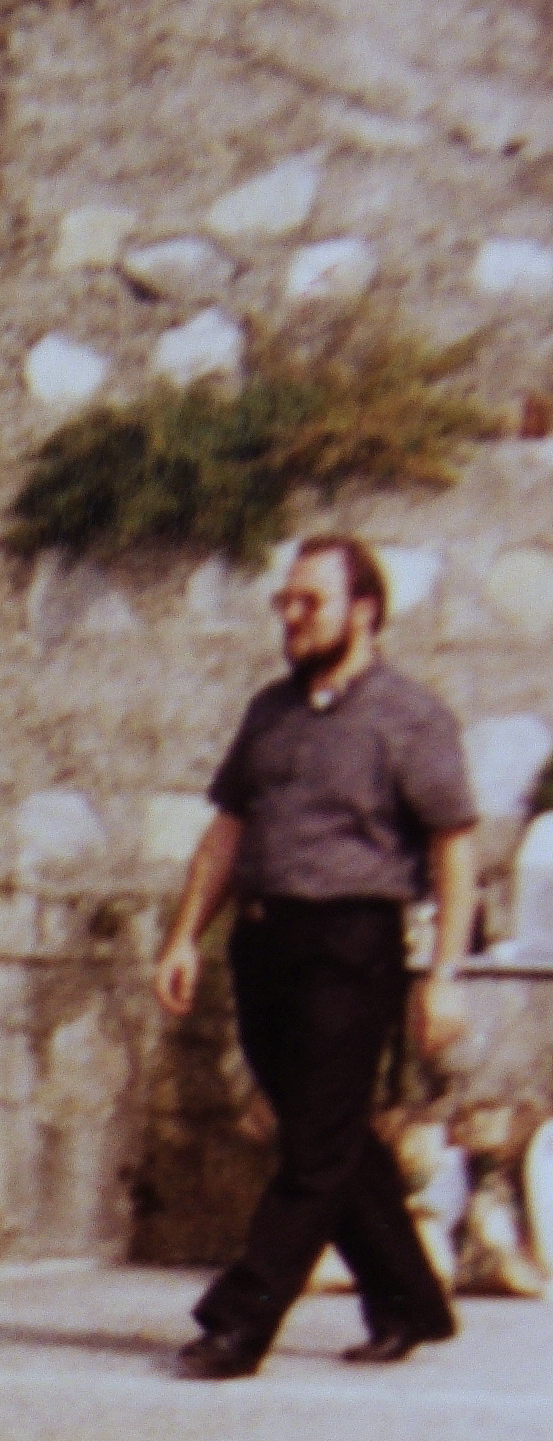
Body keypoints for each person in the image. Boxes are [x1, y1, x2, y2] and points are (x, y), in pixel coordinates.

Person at [152, 530, 480, 1379]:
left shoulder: (411, 716)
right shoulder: (270, 710)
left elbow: (454, 847)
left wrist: (445, 976)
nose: (291, 616)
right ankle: (409, 1300)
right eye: (284, 601)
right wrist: (186, 937)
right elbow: (227, 832)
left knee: (318, 1143)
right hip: (263, 943)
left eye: (310, 601)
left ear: (363, 611)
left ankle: (240, 1321)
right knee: (322, 1131)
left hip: (352, 944)